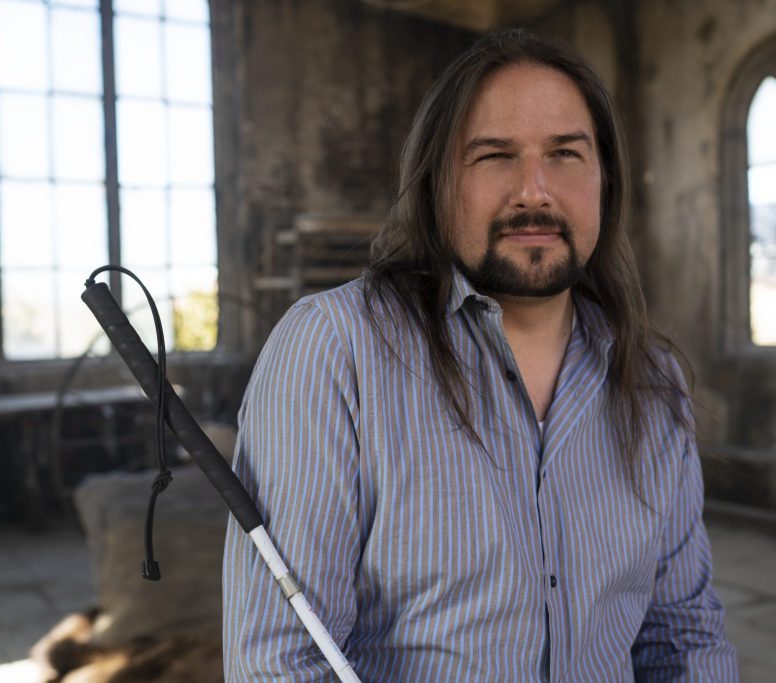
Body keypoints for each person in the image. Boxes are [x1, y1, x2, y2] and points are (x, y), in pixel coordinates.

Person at [223, 28, 737, 682]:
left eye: (565, 154)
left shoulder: (652, 381)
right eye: (495, 155)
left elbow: (684, 636)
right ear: (440, 182)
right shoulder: (334, 352)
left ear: (604, 178)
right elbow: (279, 662)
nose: (534, 190)